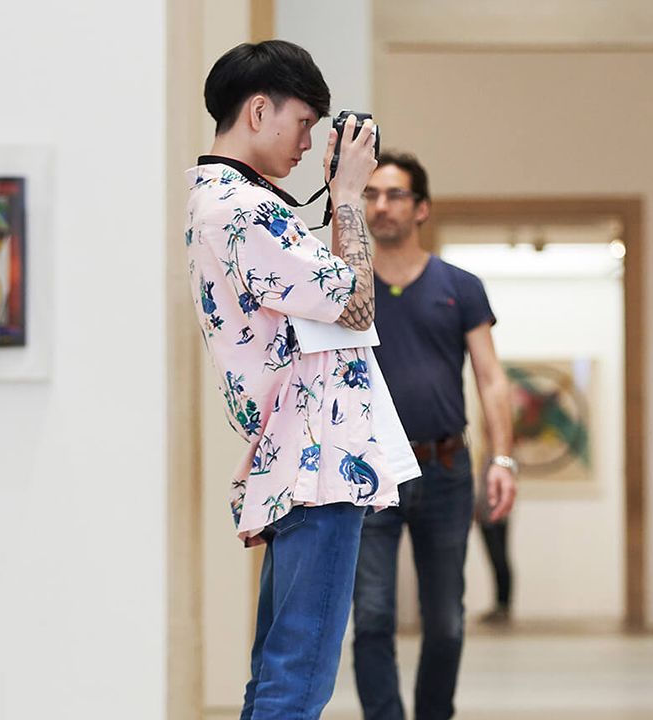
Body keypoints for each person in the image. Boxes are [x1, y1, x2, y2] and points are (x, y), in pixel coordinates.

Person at [186, 40, 414, 719]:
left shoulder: (240, 203)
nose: (308, 141)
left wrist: (341, 198)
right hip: (314, 462)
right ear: (259, 110)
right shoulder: (242, 210)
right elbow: (360, 305)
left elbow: (340, 303)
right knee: (298, 677)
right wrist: (347, 193)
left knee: (281, 671)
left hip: (301, 457)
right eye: (303, 123)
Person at [351, 151, 519, 720]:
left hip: (445, 469)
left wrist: (503, 459)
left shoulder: (460, 287)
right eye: (371, 194)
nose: (381, 205)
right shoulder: (345, 289)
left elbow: (492, 379)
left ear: (421, 208)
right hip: (369, 474)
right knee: (372, 616)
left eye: (395, 195)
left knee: (445, 618)